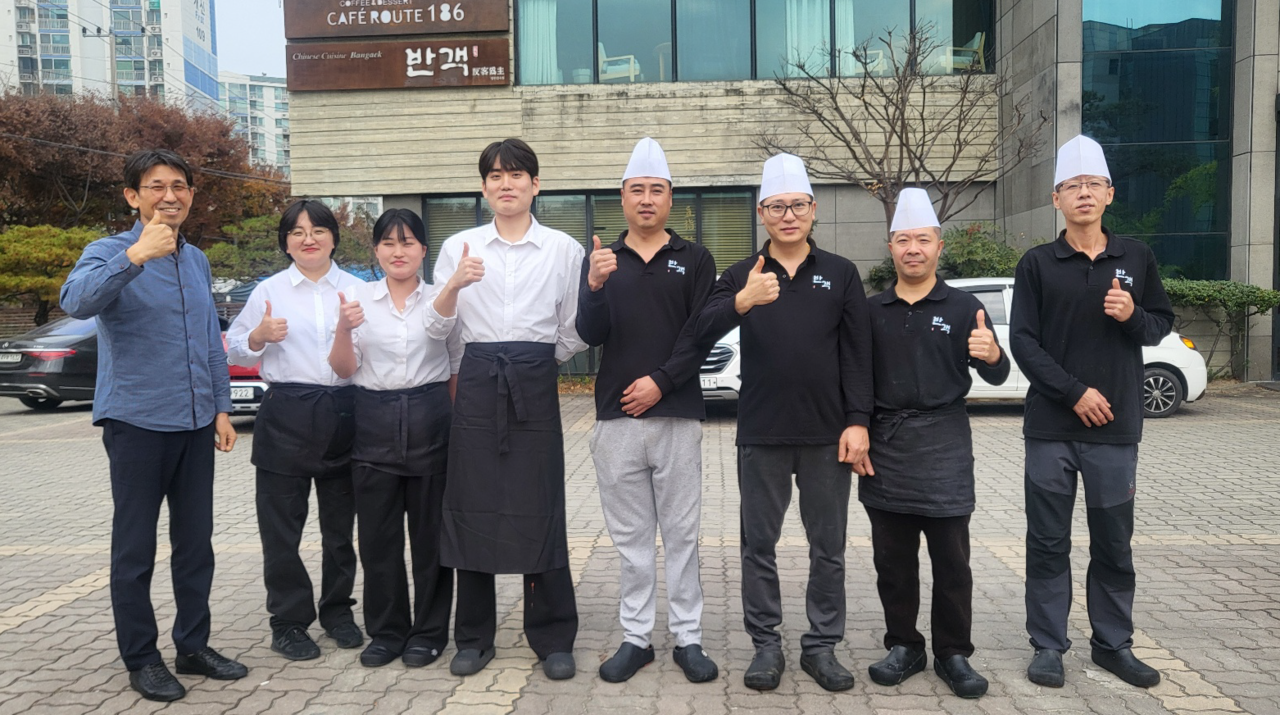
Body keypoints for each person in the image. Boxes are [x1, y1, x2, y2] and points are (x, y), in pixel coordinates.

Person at [60, 149, 248, 702]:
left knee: (196, 545)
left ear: (191, 194)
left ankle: (192, 646)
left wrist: (220, 407)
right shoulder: (108, 251)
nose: (171, 195)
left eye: (181, 186)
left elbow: (209, 342)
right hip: (137, 422)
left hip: (195, 425)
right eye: (157, 185)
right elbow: (76, 302)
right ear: (132, 196)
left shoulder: (197, 261)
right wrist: (136, 256)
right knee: (135, 549)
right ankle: (141, 657)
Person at [695, 153, 873, 692]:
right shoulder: (739, 274)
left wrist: (858, 421)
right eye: (777, 206)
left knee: (829, 548)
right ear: (762, 212)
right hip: (762, 433)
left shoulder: (840, 273)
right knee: (758, 546)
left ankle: (822, 646)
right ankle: (766, 645)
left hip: (827, 436)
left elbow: (857, 354)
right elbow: (698, 331)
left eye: (797, 205)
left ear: (813, 210)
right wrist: (742, 302)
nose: (788, 215)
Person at [1011, 135, 1175, 689]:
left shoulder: (1136, 258)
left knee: (1112, 542)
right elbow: (1025, 344)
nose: (1083, 194)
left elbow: (1159, 325)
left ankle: (1112, 644)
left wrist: (1132, 316)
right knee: (1048, 541)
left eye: (1093, 185)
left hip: (1117, 429)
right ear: (1056, 199)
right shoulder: (1037, 263)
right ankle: (1048, 646)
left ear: (1109, 194)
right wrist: (1074, 392)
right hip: (1052, 428)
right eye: (1072, 187)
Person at [427, 138, 586, 681]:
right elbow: (437, 328)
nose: (506, 184)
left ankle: (552, 636)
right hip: (475, 380)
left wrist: (534, 362)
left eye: (516, 174)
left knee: (540, 502)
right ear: (483, 187)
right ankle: (473, 637)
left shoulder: (564, 249)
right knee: (471, 504)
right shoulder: (460, 247)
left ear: (535, 185)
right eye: (495, 176)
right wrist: (452, 286)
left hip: (535, 380)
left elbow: (571, 330)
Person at [576, 138, 720, 684]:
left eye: (656, 190)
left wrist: (661, 383)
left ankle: (688, 637)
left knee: (682, 533)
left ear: (670, 198)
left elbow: (700, 336)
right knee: (631, 540)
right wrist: (593, 285)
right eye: (636, 190)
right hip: (616, 419)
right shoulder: (604, 261)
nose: (646, 199)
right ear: (622, 197)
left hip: (677, 414)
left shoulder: (696, 259)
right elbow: (590, 335)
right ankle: (636, 637)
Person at [860, 188, 1007, 699]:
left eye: (922, 240)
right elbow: (854, 377)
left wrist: (991, 355)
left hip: (945, 443)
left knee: (952, 562)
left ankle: (953, 652)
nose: (913, 249)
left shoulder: (965, 306)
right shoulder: (870, 309)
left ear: (939, 247)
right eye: (903, 240)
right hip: (887, 445)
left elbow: (999, 372)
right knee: (892, 562)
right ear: (891, 247)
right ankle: (905, 645)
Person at [225, 200, 363, 661]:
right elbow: (236, 351)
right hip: (286, 411)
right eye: (297, 232)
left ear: (333, 237)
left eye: (318, 229)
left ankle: (338, 610)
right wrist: (260, 335)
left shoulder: (359, 288)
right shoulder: (269, 290)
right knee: (281, 528)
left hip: (345, 411)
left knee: (339, 528)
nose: (309, 238)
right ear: (286, 242)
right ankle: (287, 621)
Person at [327, 209, 458, 669]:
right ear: (376, 251)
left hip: (430, 420)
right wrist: (344, 327)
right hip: (373, 423)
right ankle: (386, 631)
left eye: (407, 243)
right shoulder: (357, 299)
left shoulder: (442, 299)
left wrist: (451, 423)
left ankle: (429, 632)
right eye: (388, 243)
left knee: (430, 541)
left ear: (424, 250)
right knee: (378, 540)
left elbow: (456, 366)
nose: (398, 251)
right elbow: (343, 369)